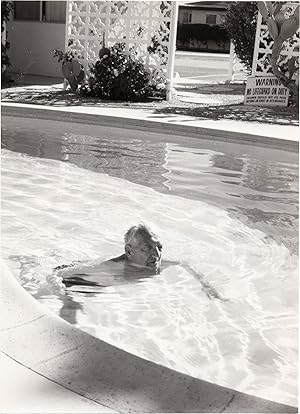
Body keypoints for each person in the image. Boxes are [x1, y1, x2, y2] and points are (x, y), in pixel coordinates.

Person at [55, 223, 225, 301]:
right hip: (92, 284)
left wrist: (207, 286)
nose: (156, 254)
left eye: (159, 247)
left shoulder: (160, 262)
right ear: (129, 251)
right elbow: (62, 273)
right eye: (147, 248)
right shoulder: (113, 266)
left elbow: (185, 264)